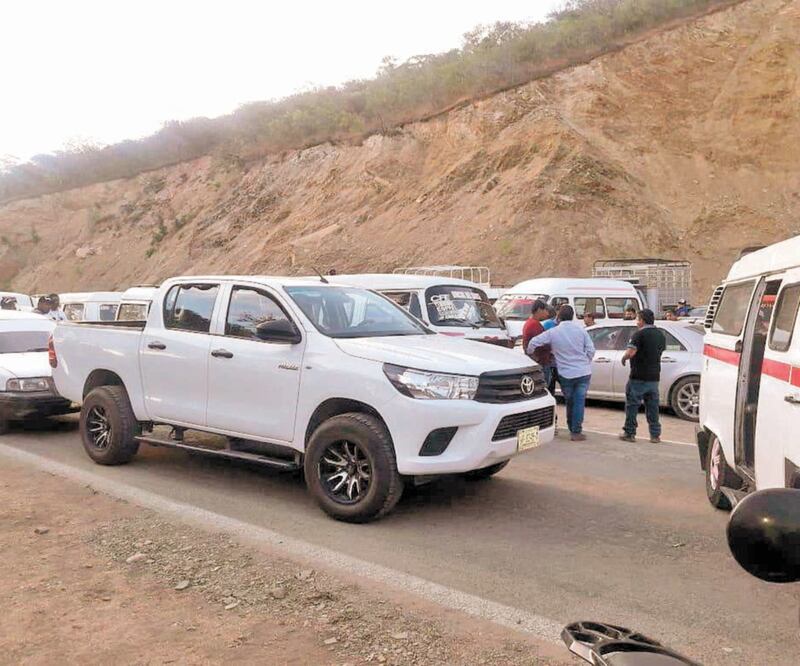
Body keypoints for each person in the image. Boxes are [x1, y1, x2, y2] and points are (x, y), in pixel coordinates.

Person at [528, 305, 595, 441]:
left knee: (570, 401)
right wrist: (585, 361)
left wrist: (531, 354)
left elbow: (533, 342)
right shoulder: (581, 331)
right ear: (573, 316)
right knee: (579, 401)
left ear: (559, 316)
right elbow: (591, 350)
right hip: (583, 372)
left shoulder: (554, 332)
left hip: (566, 373)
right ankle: (576, 431)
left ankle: (573, 427)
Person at [619, 308, 666, 444]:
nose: (636, 322)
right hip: (654, 376)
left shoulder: (638, 335)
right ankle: (655, 435)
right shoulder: (660, 335)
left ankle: (630, 432)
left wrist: (624, 358)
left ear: (642, 320)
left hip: (638, 376)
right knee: (653, 407)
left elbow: (631, 352)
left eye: (637, 319)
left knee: (632, 405)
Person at [522, 300, 555, 389]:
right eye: (546, 310)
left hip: (538, 361)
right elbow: (542, 343)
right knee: (543, 388)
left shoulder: (530, 322)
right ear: (540, 310)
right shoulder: (534, 325)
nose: (547, 313)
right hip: (541, 362)